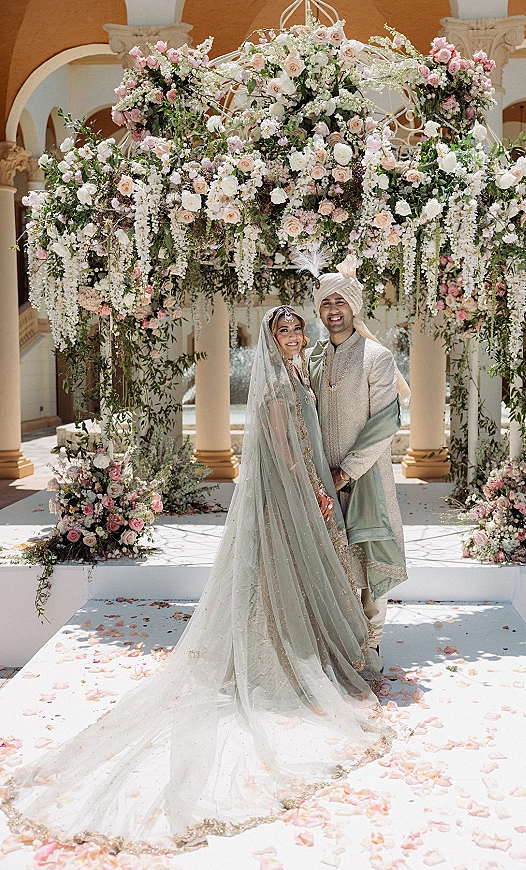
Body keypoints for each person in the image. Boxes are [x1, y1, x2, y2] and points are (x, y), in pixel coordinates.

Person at [1, 307, 392, 857]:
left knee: (304, 576)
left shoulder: (299, 372)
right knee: (285, 576)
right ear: (271, 339)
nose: (296, 335)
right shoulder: (278, 386)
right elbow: (285, 452)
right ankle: (284, 652)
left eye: (298, 328)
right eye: (285, 330)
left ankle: (301, 641)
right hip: (288, 498)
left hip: (305, 493)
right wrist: (314, 491)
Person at [308, 256, 408, 666]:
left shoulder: (376, 356)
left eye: (341, 302)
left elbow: (386, 421)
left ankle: (371, 647)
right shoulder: (313, 357)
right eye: (326, 303)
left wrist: (347, 470)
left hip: (364, 479)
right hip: (322, 480)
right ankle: (341, 644)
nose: (334, 310)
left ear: (354, 306)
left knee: (369, 563)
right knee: (336, 563)